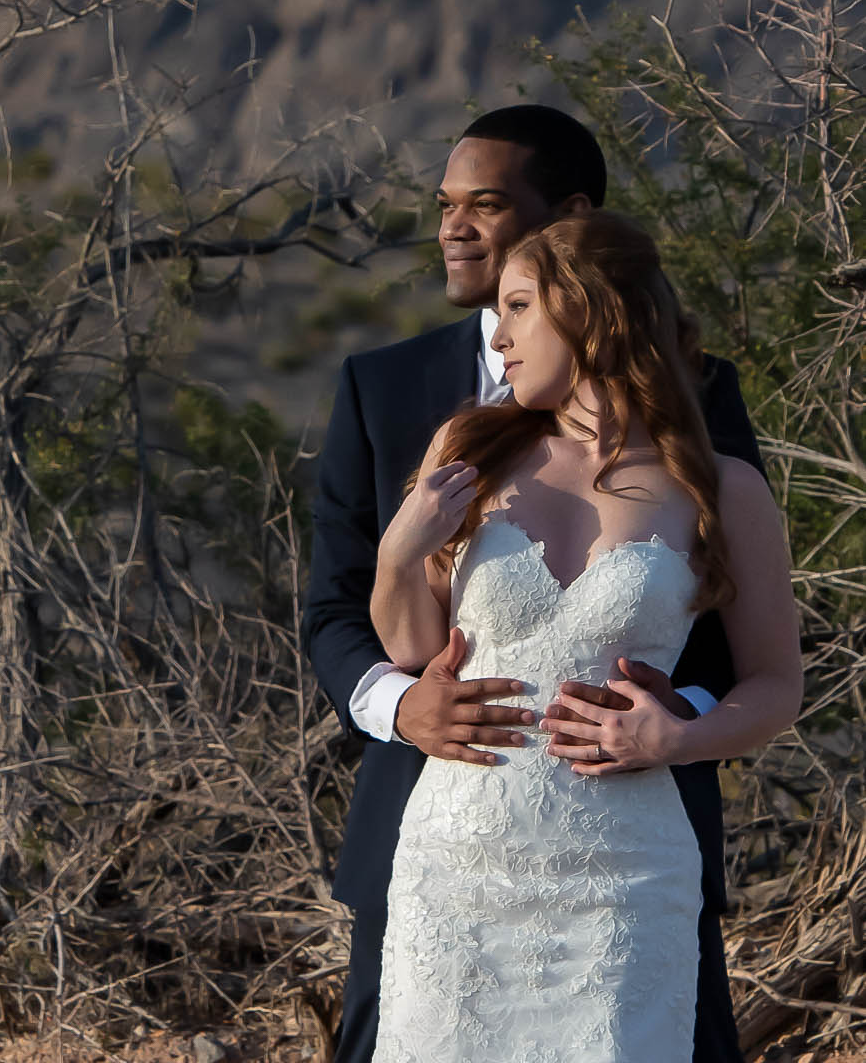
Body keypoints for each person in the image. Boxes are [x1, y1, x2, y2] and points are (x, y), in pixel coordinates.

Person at [301, 107, 765, 1063]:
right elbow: (341, 609)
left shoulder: (703, 426)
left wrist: (672, 726)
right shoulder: (405, 402)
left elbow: (739, 648)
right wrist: (402, 705)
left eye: (483, 204)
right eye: (442, 205)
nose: (451, 227)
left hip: (626, 855)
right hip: (445, 844)